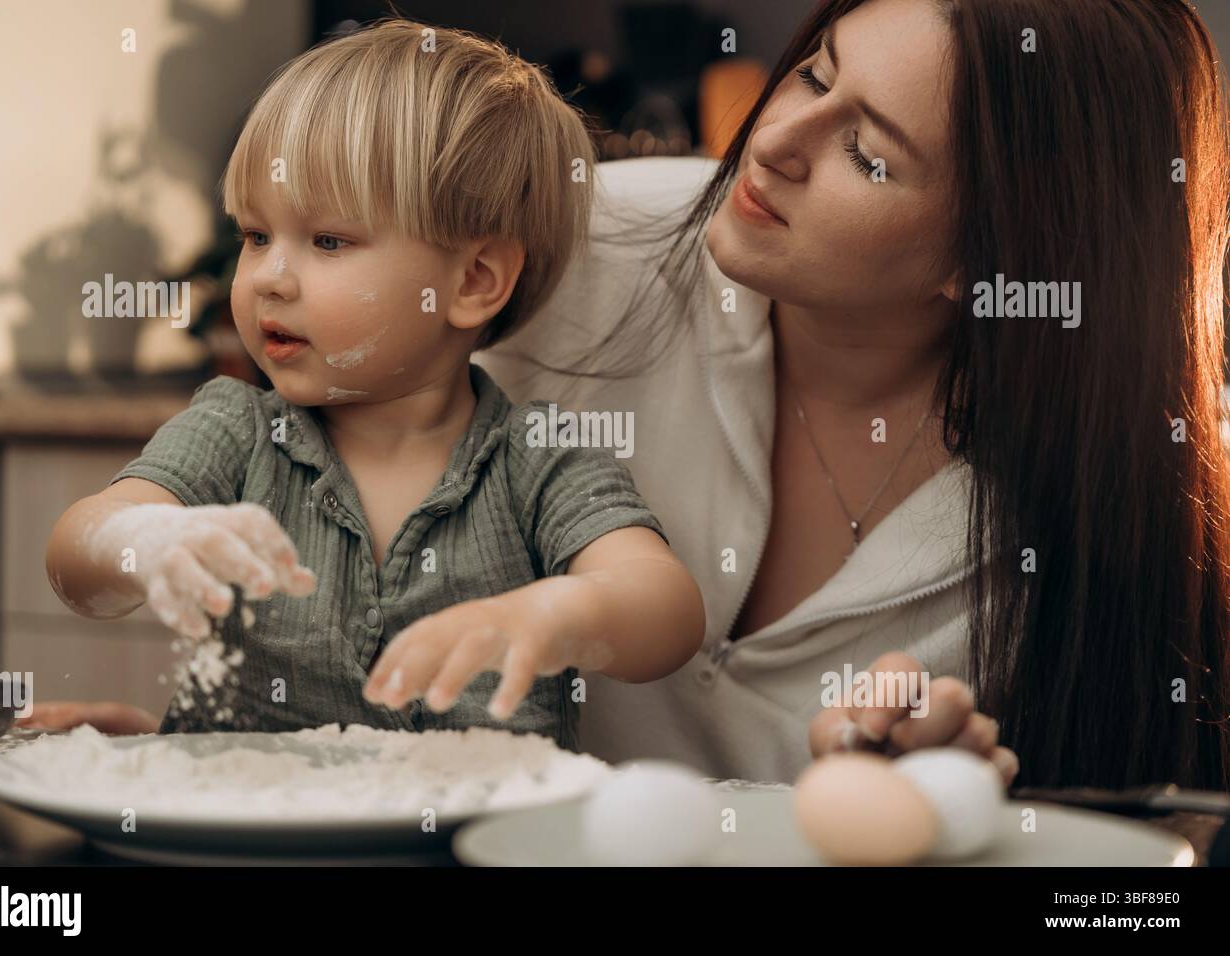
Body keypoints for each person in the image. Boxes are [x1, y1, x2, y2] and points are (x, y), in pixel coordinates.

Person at [476, 0, 1230, 789]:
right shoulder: (568, 239)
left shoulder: (1109, 521)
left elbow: (1124, 890)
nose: (768, 143)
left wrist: (957, 801)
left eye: (867, 155)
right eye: (813, 76)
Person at [42, 19, 704, 750]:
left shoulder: (540, 457)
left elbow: (665, 614)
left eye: (328, 241)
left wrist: (554, 615)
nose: (268, 277)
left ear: (474, 281)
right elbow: (77, 556)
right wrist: (147, 536)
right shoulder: (234, 431)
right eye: (256, 236)